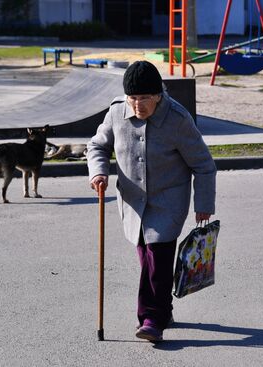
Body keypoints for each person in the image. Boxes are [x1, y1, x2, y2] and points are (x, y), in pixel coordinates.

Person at [87, 60, 216, 343]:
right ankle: (164, 310)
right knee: (147, 258)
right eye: (133, 98)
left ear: (158, 95)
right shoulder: (115, 112)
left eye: (144, 98)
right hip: (133, 203)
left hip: (168, 201)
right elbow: (97, 145)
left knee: (157, 258)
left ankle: (151, 320)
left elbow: (204, 164)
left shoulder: (178, 119)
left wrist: (203, 204)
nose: (137, 105)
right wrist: (98, 172)